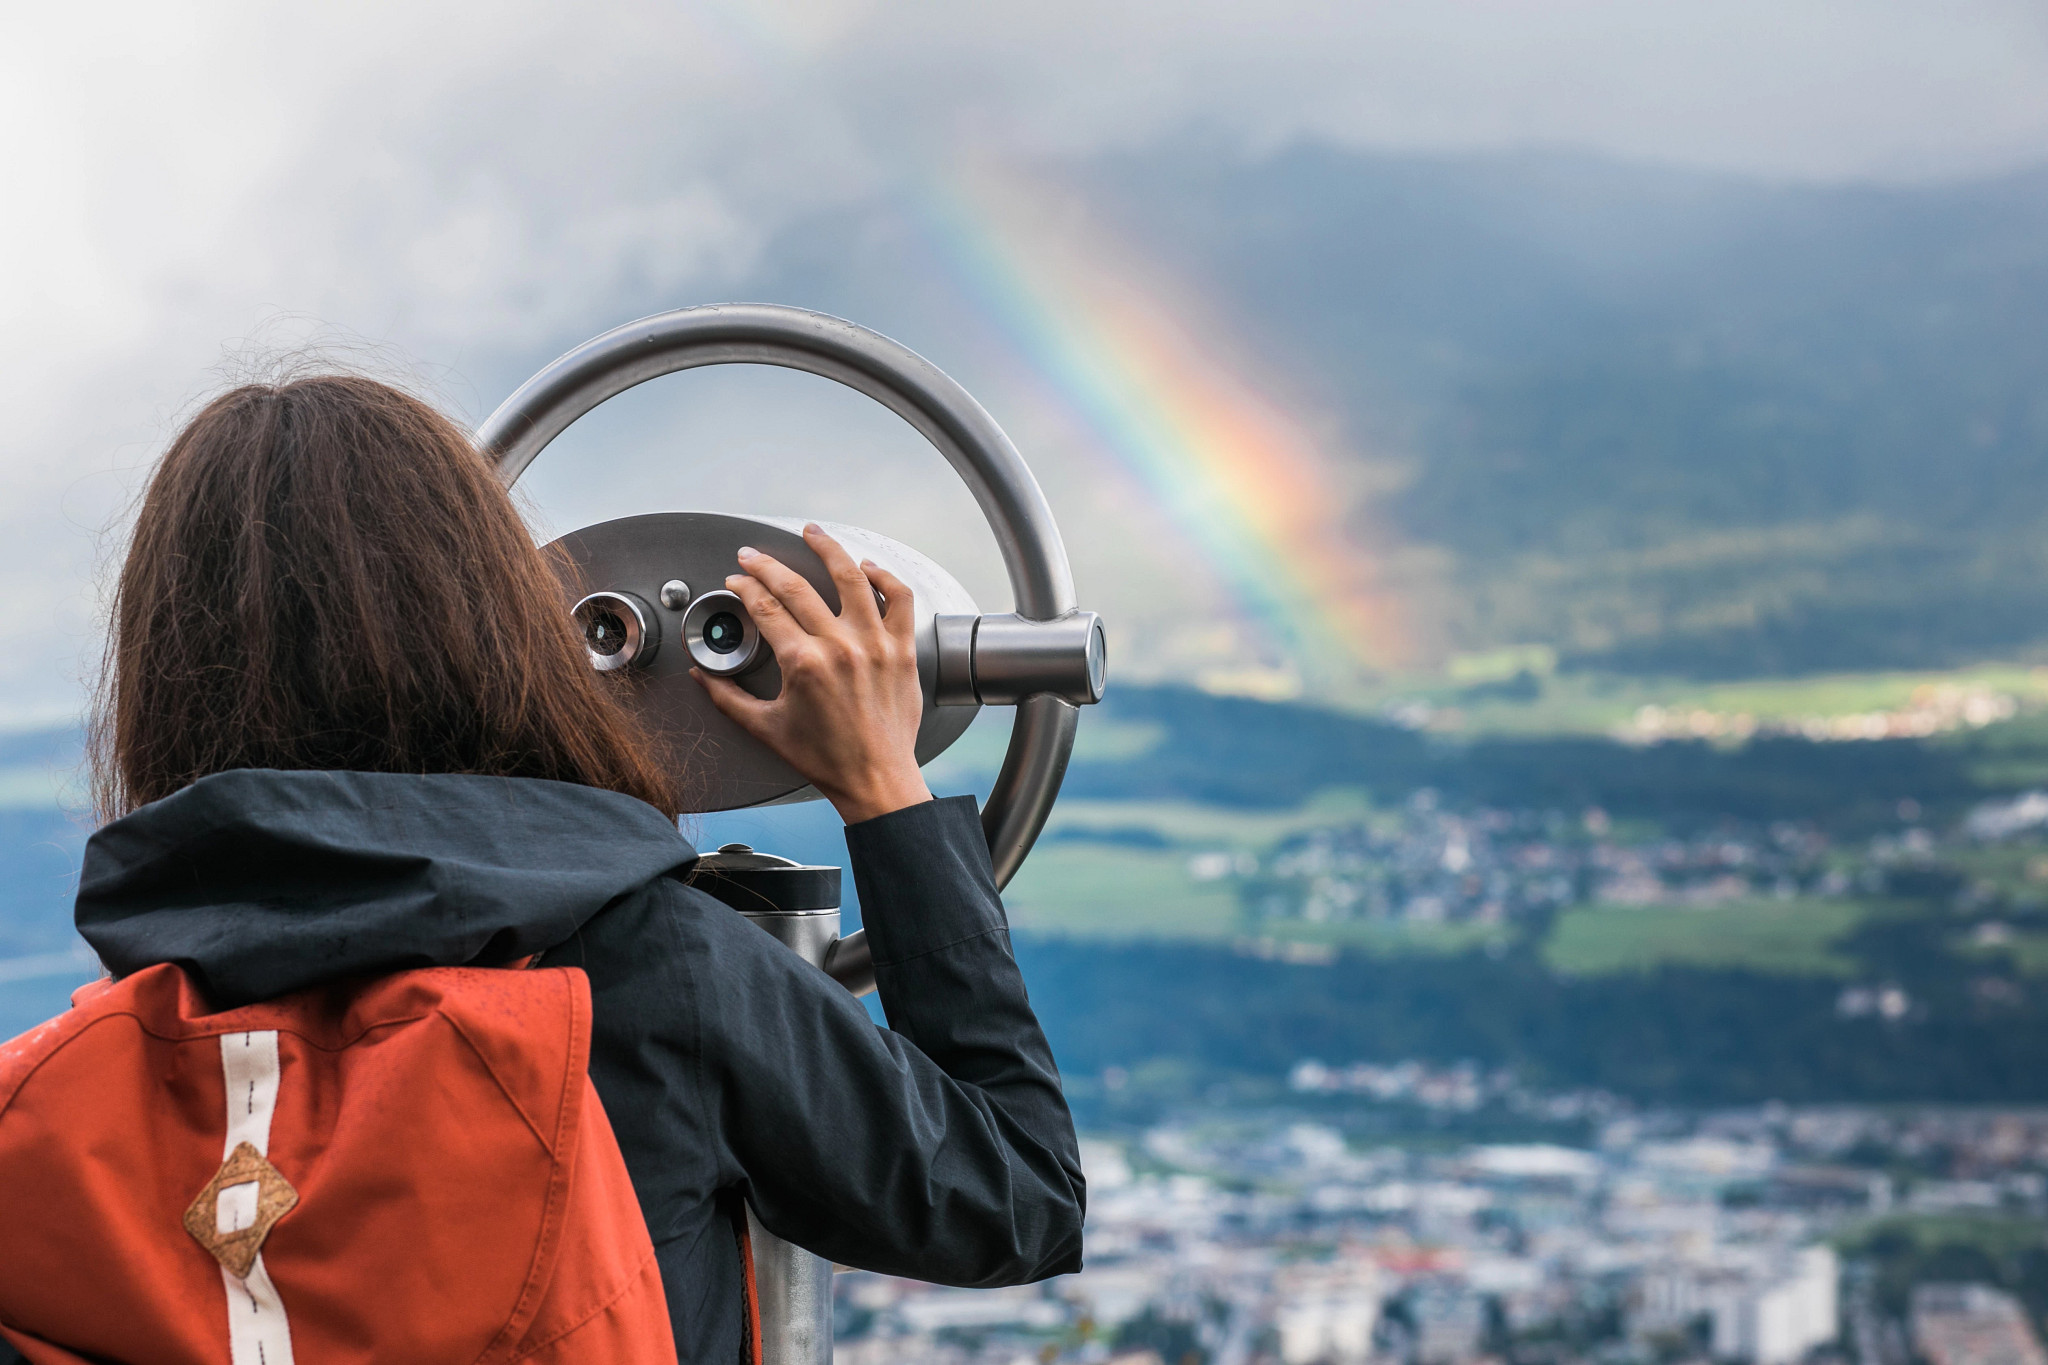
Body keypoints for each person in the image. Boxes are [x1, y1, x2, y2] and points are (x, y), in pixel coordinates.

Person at [5, 375, 1084, 1362]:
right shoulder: (654, 979)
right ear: (493, 625)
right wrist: (881, 790)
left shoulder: (61, 1117)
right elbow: (1016, 1198)